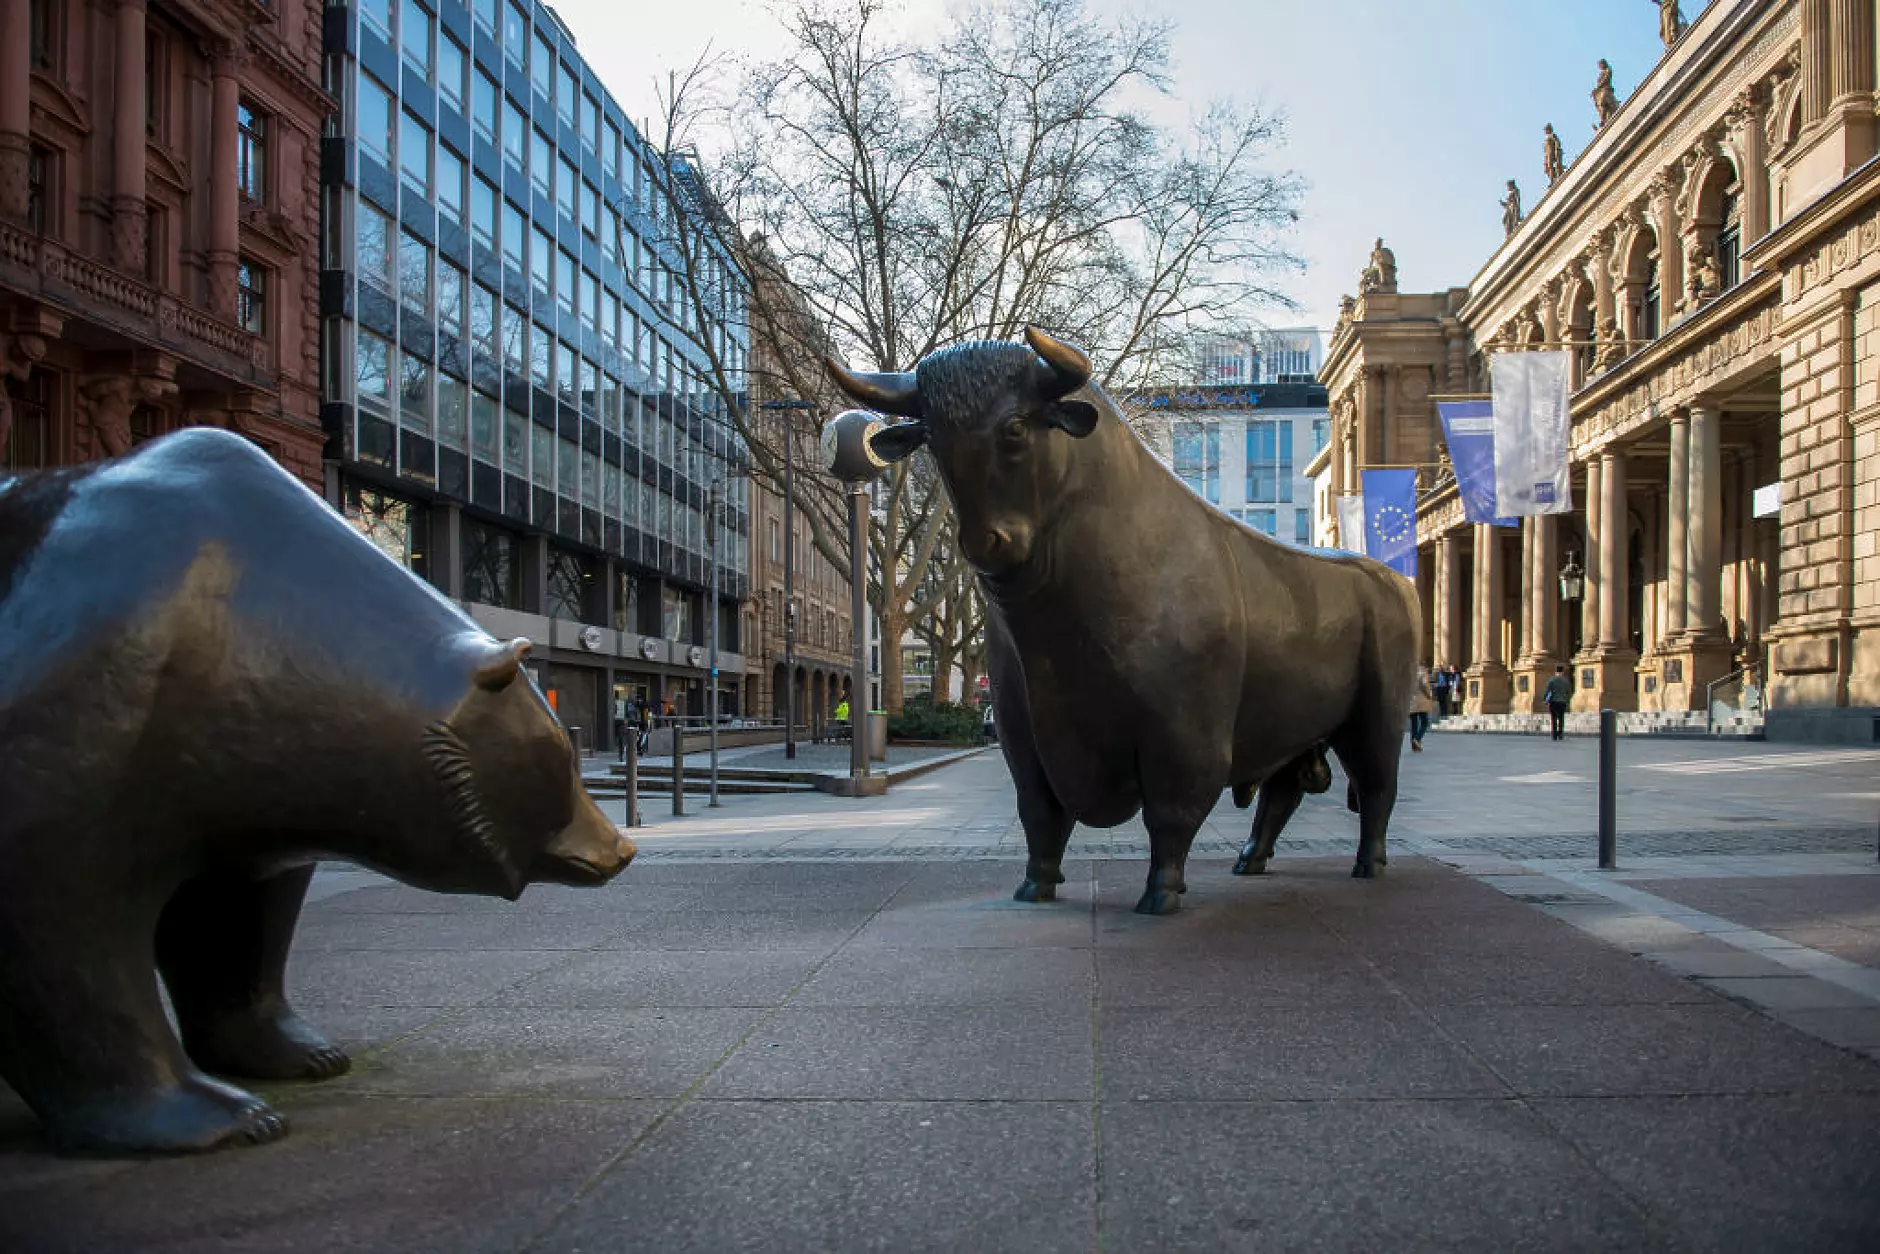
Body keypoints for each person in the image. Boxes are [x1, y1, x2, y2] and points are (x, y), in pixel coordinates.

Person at [1543, 664, 1573, 741]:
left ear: (1556, 671)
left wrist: (1545, 699)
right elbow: (1569, 692)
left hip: (1553, 701)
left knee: (1554, 718)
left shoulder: (1552, 680)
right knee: (1561, 718)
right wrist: (1567, 700)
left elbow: (1547, 690)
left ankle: (1554, 735)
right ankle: (1560, 734)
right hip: (1562, 702)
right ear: (1562, 672)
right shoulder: (1566, 681)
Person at [1408, 666, 1434, 752]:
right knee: (1424, 722)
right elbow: (1425, 684)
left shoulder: (1409, 672)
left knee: (1414, 724)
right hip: (1421, 700)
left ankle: (1414, 746)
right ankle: (1417, 739)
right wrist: (1429, 695)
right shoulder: (1422, 672)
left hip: (1412, 700)